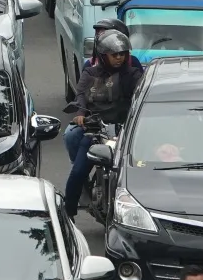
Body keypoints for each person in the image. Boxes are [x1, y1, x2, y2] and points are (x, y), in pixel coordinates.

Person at [61, 24, 143, 217]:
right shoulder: (90, 73)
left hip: (125, 132)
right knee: (79, 172)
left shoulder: (133, 74)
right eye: (114, 54)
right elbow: (80, 93)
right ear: (103, 54)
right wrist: (81, 112)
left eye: (122, 54)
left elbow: (141, 93)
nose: (119, 58)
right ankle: (67, 214)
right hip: (97, 131)